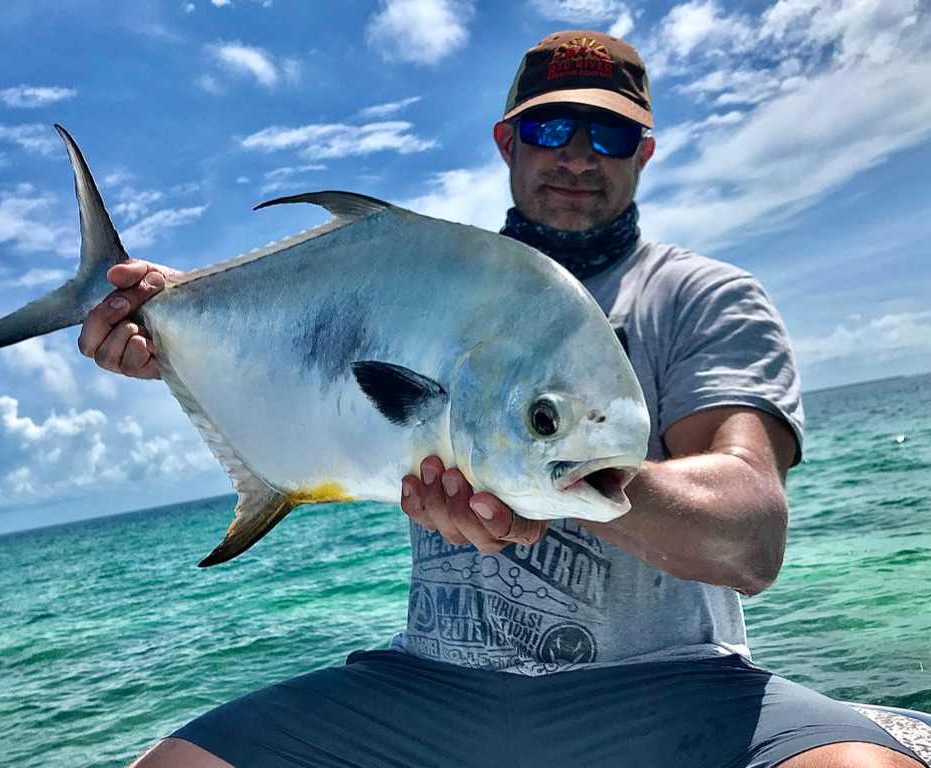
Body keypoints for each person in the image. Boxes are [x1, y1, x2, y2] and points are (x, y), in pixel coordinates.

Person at [80, 29, 927, 768]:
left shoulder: (702, 298)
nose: (578, 157)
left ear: (644, 153)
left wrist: (569, 483)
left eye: (610, 134)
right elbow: (309, 368)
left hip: (670, 687)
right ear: (507, 142)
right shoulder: (423, 280)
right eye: (551, 128)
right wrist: (182, 330)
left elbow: (752, 536)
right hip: (430, 685)